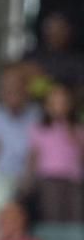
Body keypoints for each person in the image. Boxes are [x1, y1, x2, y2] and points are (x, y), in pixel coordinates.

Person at [0, 62, 43, 182]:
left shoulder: (40, 116)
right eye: (6, 88)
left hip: (30, 183)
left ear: (25, 88)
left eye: (16, 87)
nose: (11, 91)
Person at [26, 83, 84, 223]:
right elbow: (33, 156)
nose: (59, 107)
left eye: (63, 103)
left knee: (75, 215)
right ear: (46, 106)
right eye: (54, 103)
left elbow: (81, 154)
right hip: (49, 179)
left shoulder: (77, 129)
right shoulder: (39, 129)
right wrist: (28, 180)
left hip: (73, 179)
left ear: (70, 105)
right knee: (52, 215)